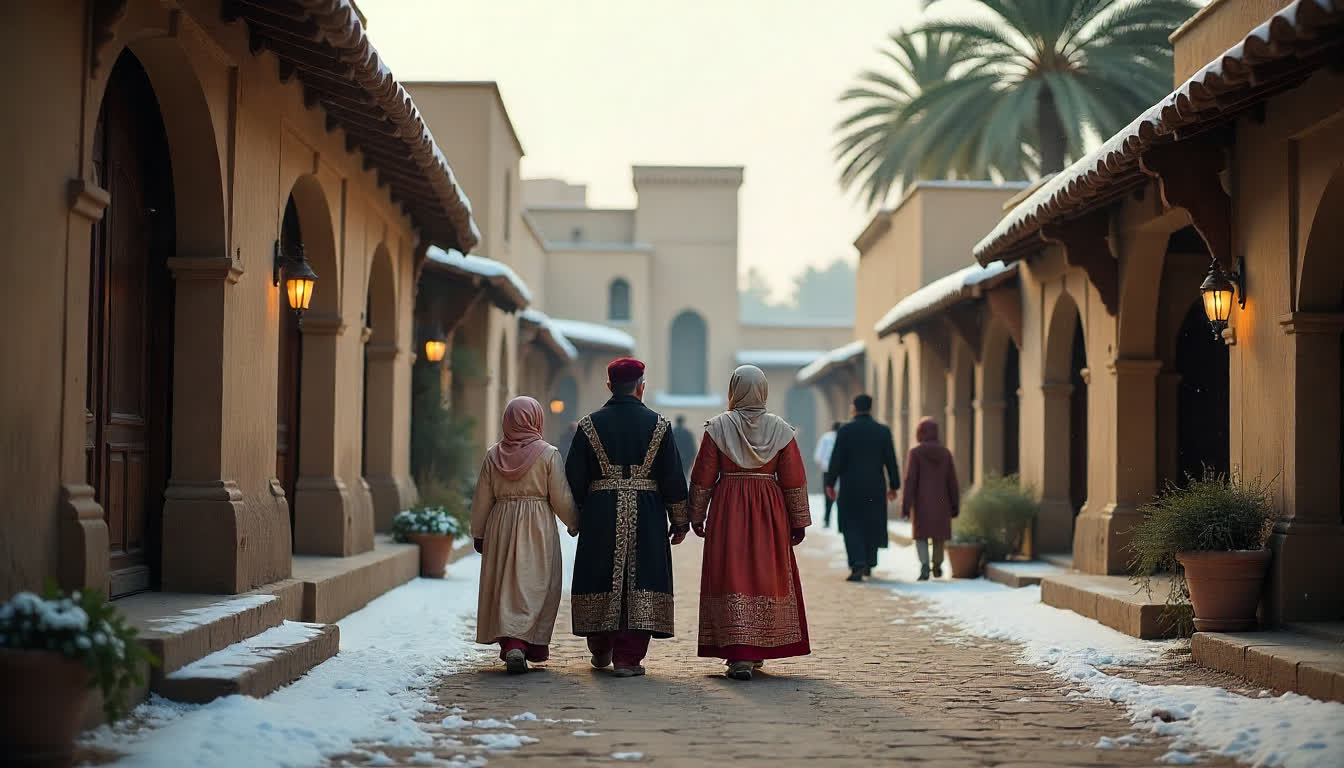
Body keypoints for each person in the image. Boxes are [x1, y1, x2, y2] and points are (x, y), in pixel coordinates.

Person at [566, 358, 690, 677]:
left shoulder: (588, 425)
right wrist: (679, 520)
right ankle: (628, 658)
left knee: (599, 571)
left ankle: (601, 647)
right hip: (647, 512)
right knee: (643, 575)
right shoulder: (659, 425)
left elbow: (574, 478)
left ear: (609, 386)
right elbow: (673, 477)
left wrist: (577, 517)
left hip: (600, 513)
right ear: (641, 387)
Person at [690, 365, 811, 681]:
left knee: (731, 573)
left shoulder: (718, 428)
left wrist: (696, 515)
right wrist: (797, 520)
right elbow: (794, 479)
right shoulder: (781, 430)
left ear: (734, 390)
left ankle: (738, 653)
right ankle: (756, 650)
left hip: (729, 507)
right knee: (763, 574)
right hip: (768, 509)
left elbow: (702, 476)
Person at [470, 396, 579, 674]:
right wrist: (574, 522)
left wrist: (479, 533)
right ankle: (525, 643)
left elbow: (482, 498)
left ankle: (511, 643)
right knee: (535, 583)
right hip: (537, 526)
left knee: (504, 584)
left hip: (501, 524)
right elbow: (561, 496)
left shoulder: (493, 455)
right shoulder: (548, 454)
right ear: (536, 420)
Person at [824, 394, 900, 582]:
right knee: (872, 522)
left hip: (851, 486)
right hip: (875, 485)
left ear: (854, 408)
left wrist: (830, 483)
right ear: (870, 408)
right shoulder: (882, 431)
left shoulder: (845, 431)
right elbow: (891, 460)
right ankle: (869, 561)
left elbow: (836, 460)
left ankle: (857, 562)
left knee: (852, 524)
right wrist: (894, 485)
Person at [902, 417, 960, 581]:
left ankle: (925, 565)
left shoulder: (915, 453)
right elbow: (952, 481)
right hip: (942, 502)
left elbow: (910, 480)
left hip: (921, 503)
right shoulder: (945, 453)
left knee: (921, 536)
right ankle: (937, 564)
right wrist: (955, 504)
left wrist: (906, 505)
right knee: (938, 535)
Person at [813, 422, 841, 528]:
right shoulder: (842, 436)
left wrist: (822, 465)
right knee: (840, 497)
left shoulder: (826, 438)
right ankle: (840, 523)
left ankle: (827, 520)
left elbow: (818, 456)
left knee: (828, 496)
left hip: (827, 470)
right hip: (840, 471)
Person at [672, 414, 697, 480]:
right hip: (686, 459)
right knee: (684, 476)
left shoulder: (672, 432)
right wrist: (692, 459)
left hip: (674, 458)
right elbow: (692, 448)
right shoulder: (688, 433)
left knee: (674, 477)